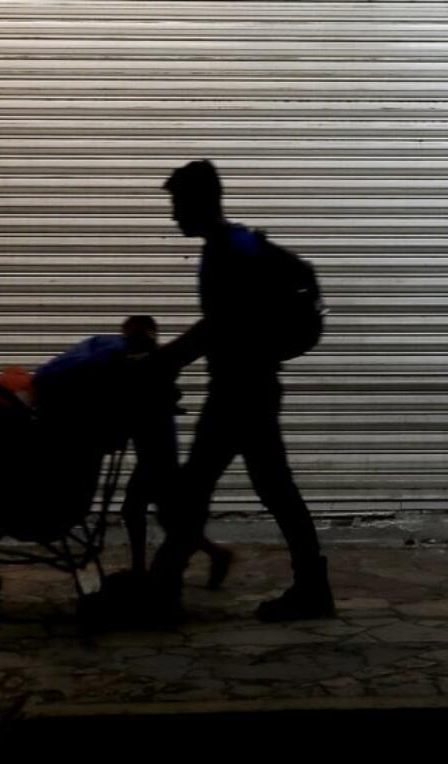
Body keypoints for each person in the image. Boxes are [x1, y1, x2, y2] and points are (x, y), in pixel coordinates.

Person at [147, 160, 334, 622]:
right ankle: (311, 586)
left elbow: (218, 326)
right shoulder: (237, 246)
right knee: (263, 489)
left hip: (239, 391)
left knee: (201, 488)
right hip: (249, 386)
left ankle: (163, 587)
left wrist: (166, 360)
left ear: (197, 201)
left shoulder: (228, 253)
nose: (173, 216)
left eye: (176, 204)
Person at [33, 317, 234, 585]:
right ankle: (206, 555)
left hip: (157, 459)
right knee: (161, 515)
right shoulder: (143, 365)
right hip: (155, 457)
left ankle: (178, 562)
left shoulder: (141, 366)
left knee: (145, 512)